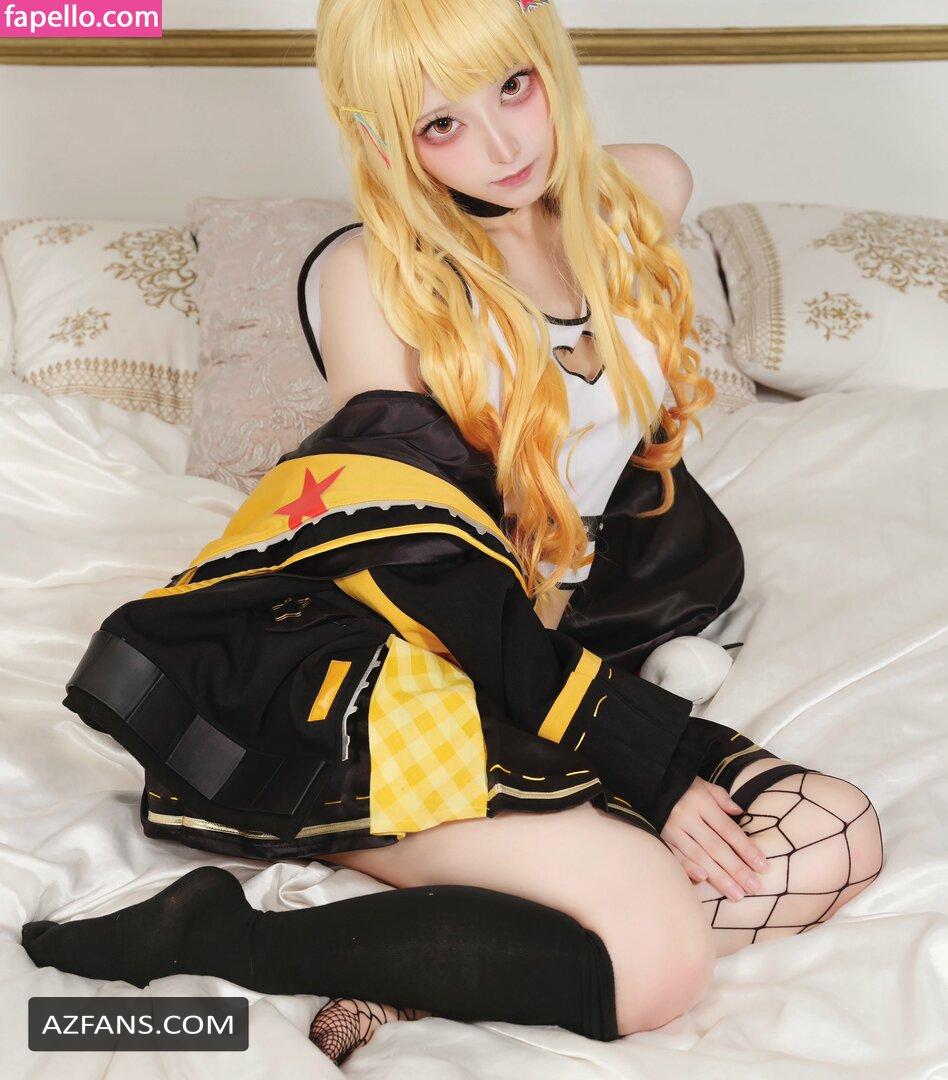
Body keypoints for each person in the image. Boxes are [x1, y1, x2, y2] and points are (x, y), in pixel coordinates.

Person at [22, 0, 884, 1067]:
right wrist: (644, 757)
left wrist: (634, 732)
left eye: (513, 87)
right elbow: (417, 565)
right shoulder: (370, 279)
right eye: (442, 125)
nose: (503, 144)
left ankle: (448, 968)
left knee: (835, 833)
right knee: (656, 961)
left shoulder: (640, 193)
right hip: (394, 656)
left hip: (550, 646)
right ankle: (214, 934)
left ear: (548, 59)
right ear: (384, 140)